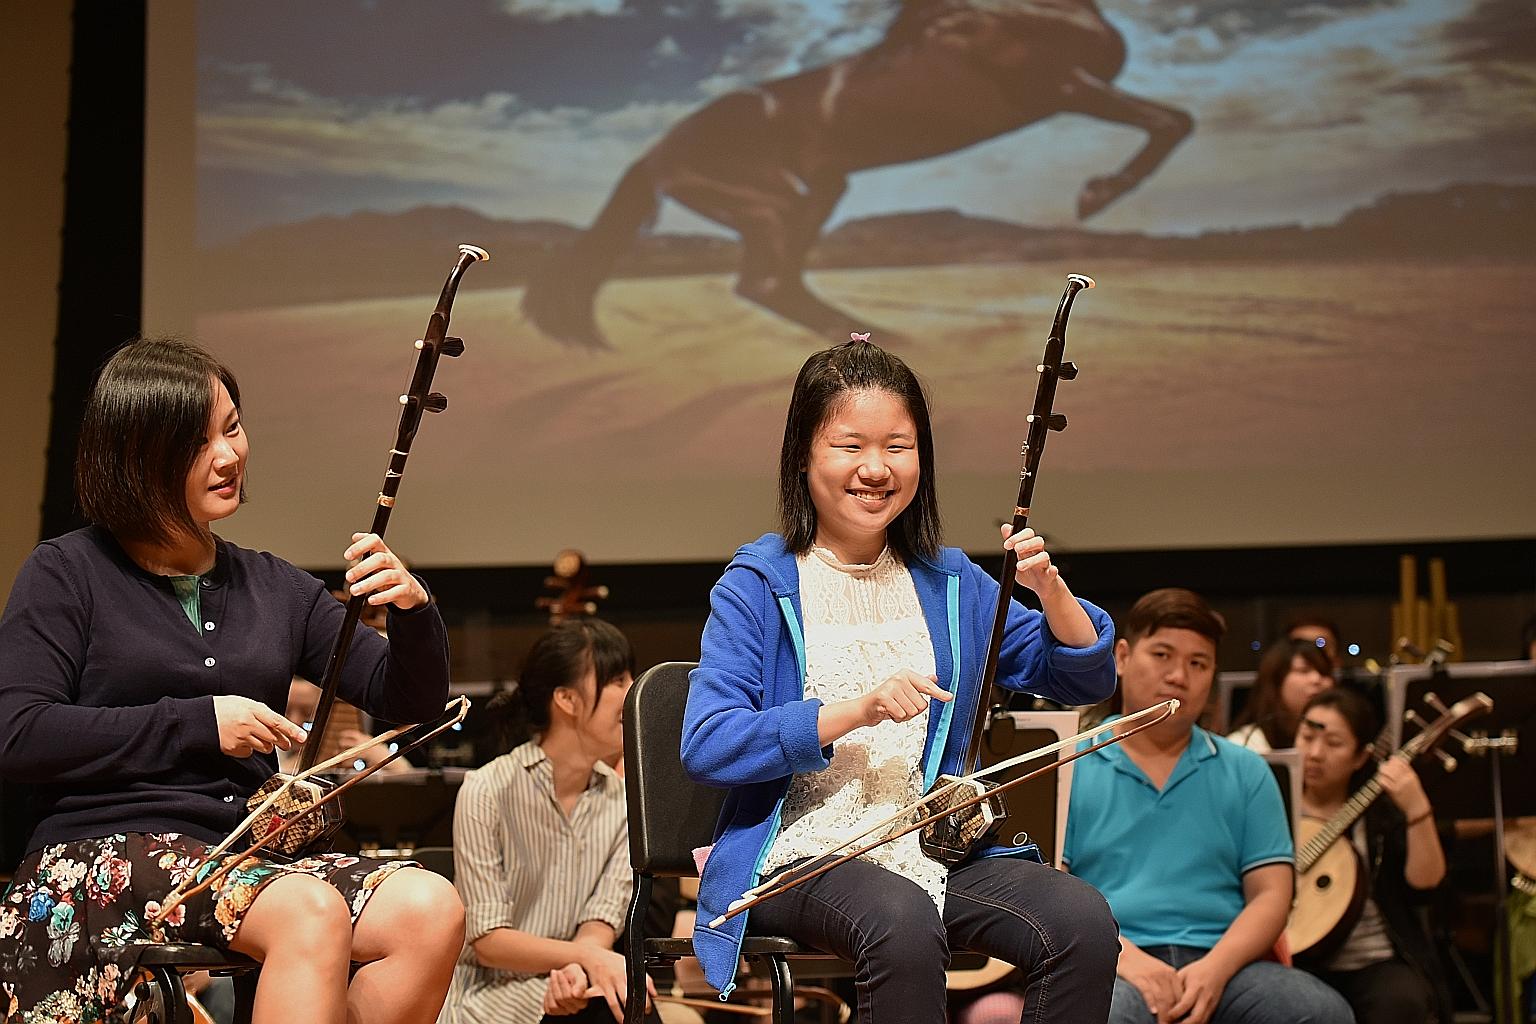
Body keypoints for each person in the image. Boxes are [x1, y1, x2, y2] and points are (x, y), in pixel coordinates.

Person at [0, 337, 463, 1024]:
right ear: (137, 458)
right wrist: (197, 720)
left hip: (238, 859)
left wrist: (413, 609)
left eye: (233, 426)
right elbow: (18, 734)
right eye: (197, 442)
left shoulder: (275, 585)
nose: (229, 455)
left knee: (430, 911)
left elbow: (411, 707)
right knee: (308, 913)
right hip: (99, 857)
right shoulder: (66, 572)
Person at [680, 337, 1121, 1022]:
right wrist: (852, 710)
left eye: (898, 446)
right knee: (902, 921)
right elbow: (708, 742)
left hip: (927, 844)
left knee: (1080, 920)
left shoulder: (949, 583)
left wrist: (1049, 589)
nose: (876, 469)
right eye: (850, 446)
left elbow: (1076, 675)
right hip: (801, 849)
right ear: (804, 455)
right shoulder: (759, 582)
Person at [1063, 588, 1353, 1024]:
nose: (1179, 675)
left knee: (1319, 1012)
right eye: (1162, 654)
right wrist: (1128, 960)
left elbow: (1273, 894)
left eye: (1198, 663)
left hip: (1226, 963)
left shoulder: (1246, 769)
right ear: (1121, 657)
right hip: (1111, 961)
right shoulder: (1069, 764)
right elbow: (1053, 889)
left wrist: (1215, 971)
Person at [441, 618, 655, 1024]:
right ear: (567, 699)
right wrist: (585, 958)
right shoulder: (486, 790)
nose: (633, 694)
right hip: (489, 995)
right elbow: (488, 941)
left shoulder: (625, 800)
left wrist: (578, 968)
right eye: (617, 680)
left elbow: (600, 920)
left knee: (624, 1005)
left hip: (573, 982)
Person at [1293, 687, 1452, 1024]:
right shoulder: (1271, 802)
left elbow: (1426, 886)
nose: (1315, 753)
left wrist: (1417, 809)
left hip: (1374, 962)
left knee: (1400, 1002)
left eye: (1334, 743)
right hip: (1294, 962)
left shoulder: (1378, 814)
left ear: (1361, 757)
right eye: (1307, 737)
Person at [1227, 640, 1334, 753]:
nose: (1317, 679)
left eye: (1324, 672)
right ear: (1276, 682)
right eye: (1304, 670)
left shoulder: (1341, 739)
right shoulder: (1243, 745)